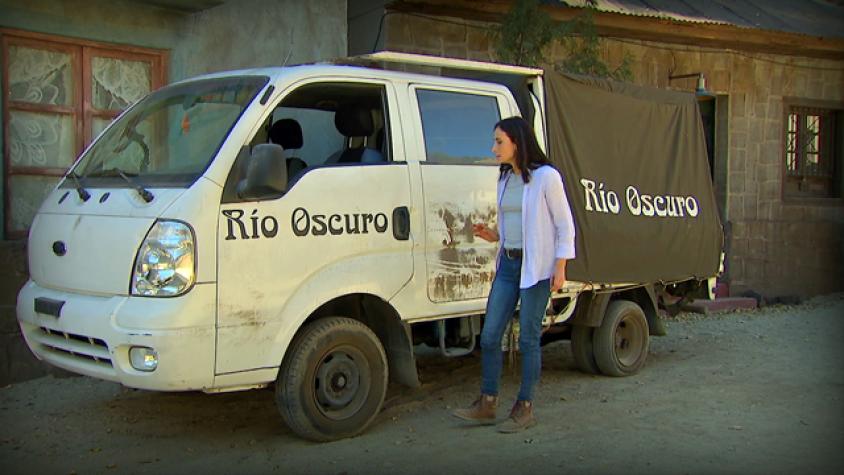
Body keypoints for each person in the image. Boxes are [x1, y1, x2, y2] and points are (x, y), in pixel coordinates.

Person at [452, 116, 576, 433]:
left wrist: (560, 268)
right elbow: (517, 226)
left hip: (536, 267)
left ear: (517, 142)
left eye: (499, 141)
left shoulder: (547, 177)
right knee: (491, 335)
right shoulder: (506, 178)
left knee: (528, 339)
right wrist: (492, 234)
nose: (493, 148)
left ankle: (524, 407)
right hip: (508, 265)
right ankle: (488, 403)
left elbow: (565, 226)